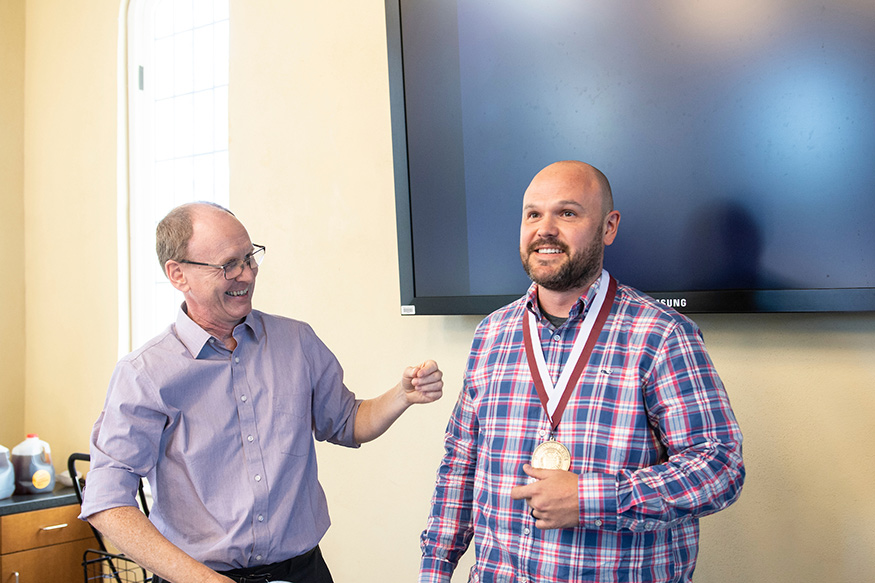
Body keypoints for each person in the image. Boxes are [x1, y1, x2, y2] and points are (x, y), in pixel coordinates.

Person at [80, 202, 444, 583]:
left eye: (250, 257)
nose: (247, 274)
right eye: (228, 265)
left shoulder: (296, 341)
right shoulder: (144, 374)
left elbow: (348, 422)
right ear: (178, 274)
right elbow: (108, 503)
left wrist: (402, 395)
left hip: (303, 573)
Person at [419, 161, 744, 582]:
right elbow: (462, 461)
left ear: (608, 227)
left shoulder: (662, 336)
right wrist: (435, 569)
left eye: (567, 213)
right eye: (533, 214)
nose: (545, 229)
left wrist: (591, 498)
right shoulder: (492, 333)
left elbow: (719, 466)